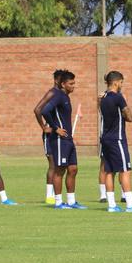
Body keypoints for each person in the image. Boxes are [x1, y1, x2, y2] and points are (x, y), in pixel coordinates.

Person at [99, 71, 132, 213]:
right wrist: (125, 103)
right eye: (121, 82)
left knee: (109, 171)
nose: (121, 85)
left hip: (105, 139)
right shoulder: (118, 97)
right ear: (116, 82)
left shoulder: (103, 98)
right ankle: (130, 205)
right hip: (117, 139)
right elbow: (130, 117)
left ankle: (112, 205)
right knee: (125, 170)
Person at [40, 70, 86, 210]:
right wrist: (55, 128)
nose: (73, 86)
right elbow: (44, 110)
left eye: (74, 83)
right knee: (59, 170)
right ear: (63, 84)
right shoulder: (58, 96)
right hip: (60, 140)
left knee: (73, 169)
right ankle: (58, 202)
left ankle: (71, 201)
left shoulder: (66, 97)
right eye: (70, 83)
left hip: (68, 139)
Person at [34, 69, 65, 204]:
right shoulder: (52, 93)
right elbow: (37, 109)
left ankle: (56, 195)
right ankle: (49, 196)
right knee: (53, 164)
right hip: (50, 133)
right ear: (57, 80)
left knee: (59, 164)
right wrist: (43, 126)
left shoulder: (61, 95)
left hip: (58, 133)